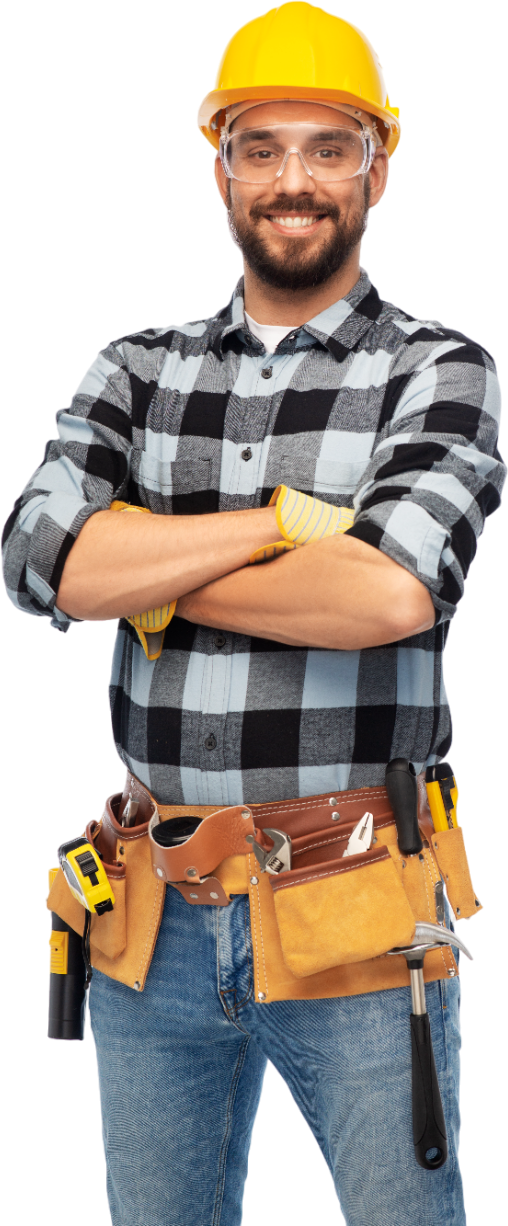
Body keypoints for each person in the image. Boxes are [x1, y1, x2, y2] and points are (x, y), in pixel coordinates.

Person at [2, 4, 505, 1223]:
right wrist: (287, 523)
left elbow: (389, 589)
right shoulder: (134, 368)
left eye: (329, 147)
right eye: (261, 146)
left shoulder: (437, 368)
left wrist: (148, 572)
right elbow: (39, 562)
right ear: (220, 168)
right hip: (150, 913)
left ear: (377, 166)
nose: (295, 180)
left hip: (356, 911)